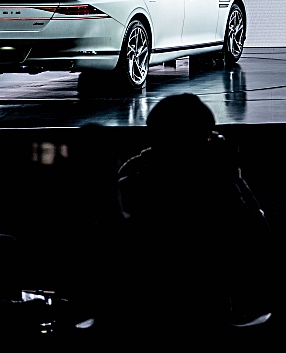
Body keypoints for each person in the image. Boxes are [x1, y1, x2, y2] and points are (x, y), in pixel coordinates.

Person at [110, 94, 272, 334]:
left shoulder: (134, 179)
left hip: (145, 307)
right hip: (207, 306)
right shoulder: (215, 183)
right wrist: (232, 175)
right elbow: (258, 236)